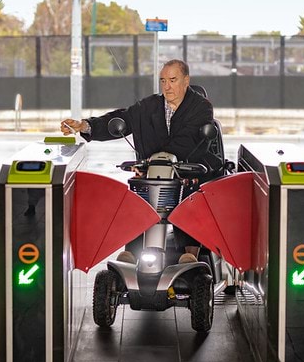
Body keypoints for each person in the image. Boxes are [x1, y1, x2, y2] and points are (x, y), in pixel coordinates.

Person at [61, 59, 214, 263]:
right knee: (136, 193)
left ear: (186, 80)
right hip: (150, 175)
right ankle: (131, 251)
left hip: (188, 173)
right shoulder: (148, 106)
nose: (167, 86)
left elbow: (189, 140)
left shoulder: (201, 107)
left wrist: (154, 162)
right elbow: (121, 119)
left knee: (190, 194)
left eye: (173, 80)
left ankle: (190, 254)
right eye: (163, 80)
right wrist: (85, 126)